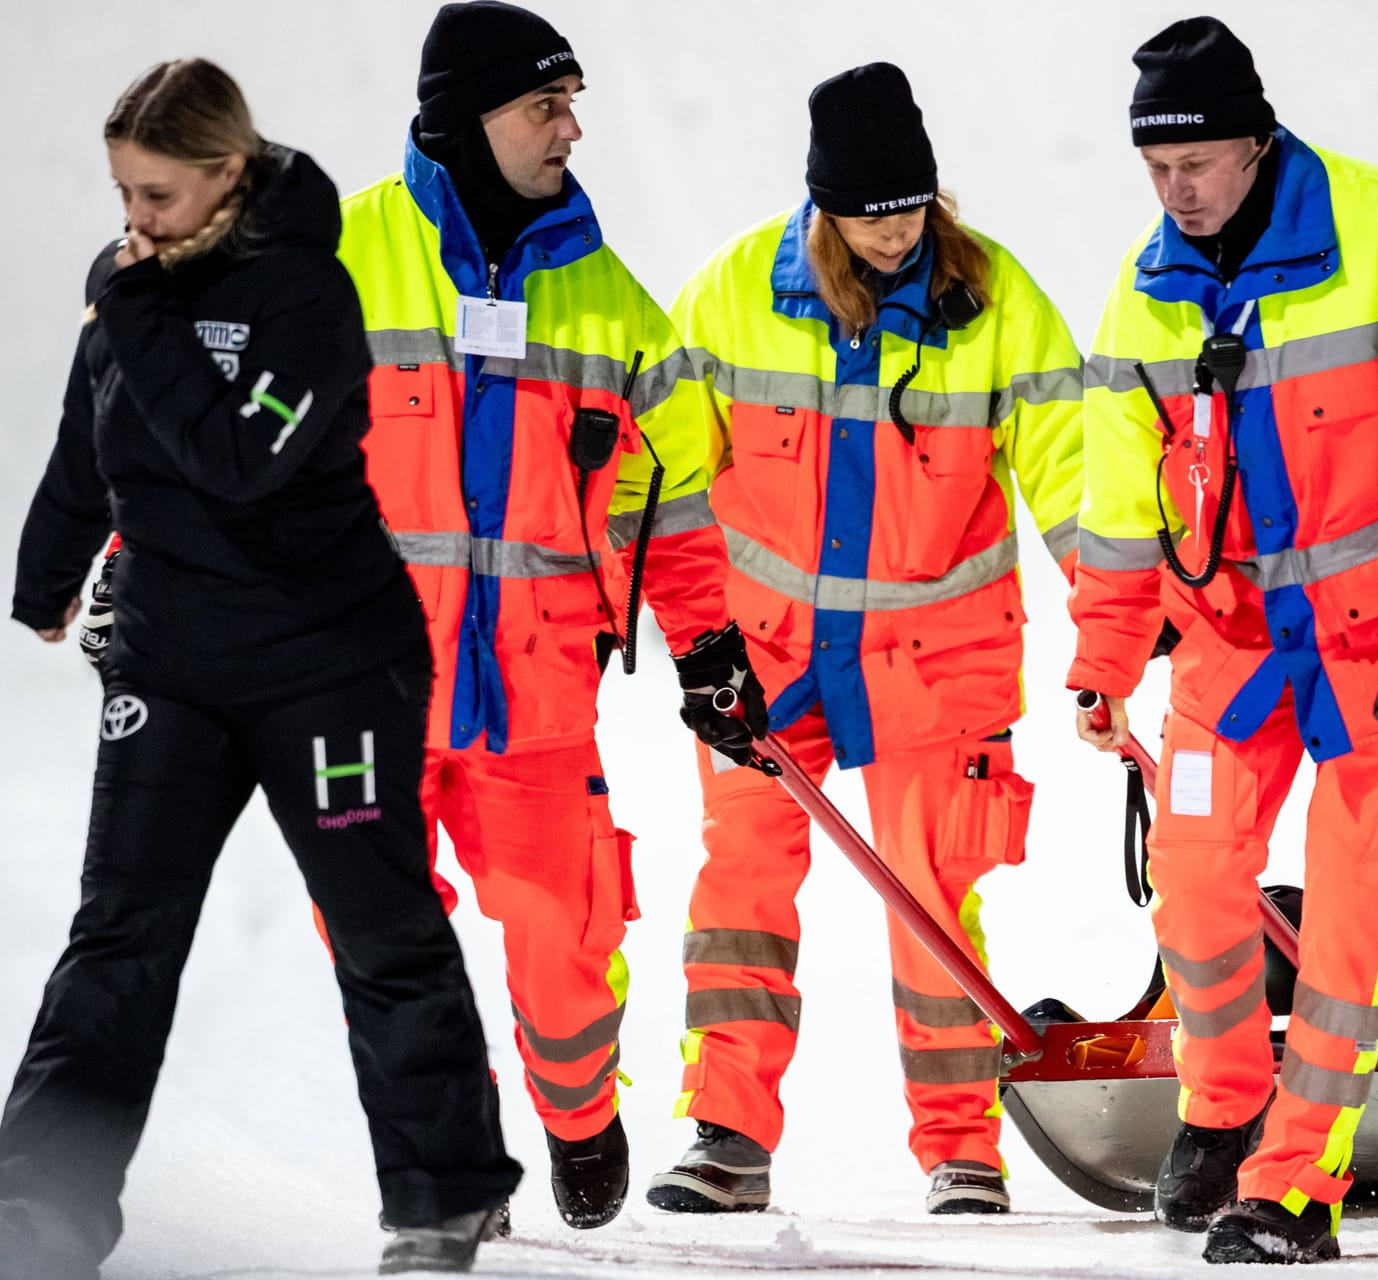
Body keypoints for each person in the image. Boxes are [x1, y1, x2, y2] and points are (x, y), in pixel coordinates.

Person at [2, 58, 520, 1278]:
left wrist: (133, 317)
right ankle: (38, 1209)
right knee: (118, 934)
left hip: (326, 664)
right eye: (124, 194)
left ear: (230, 177)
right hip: (170, 663)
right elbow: (94, 435)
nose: (135, 223)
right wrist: (44, 573)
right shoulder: (122, 284)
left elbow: (240, 461)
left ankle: (443, 1197)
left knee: (381, 924)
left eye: (160, 196)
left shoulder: (306, 297)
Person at [1070, 17, 1378, 1265]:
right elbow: (1120, 513)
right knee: (1191, 871)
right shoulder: (1144, 289)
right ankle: (1222, 1109)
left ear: (1259, 140)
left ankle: (1296, 1184)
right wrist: (1105, 662)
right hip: (1227, 648)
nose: (1175, 193)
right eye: (1154, 172)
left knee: (1347, 925)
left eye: (1197, 165)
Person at [327, 0, 760, 1232]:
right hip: (362, 691)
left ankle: (577, 1112)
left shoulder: (610, 304)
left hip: (537, 694)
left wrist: (711, 641)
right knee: (379, 942)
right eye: (545, 105)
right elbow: (222, 433)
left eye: (571, 103)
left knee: (567, 944)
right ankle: (447, 1177)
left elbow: (676, 494)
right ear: (468, 120)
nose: (572, 128)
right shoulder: (335, 258)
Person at [643, 62, 1084, 1217]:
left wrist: (1132, 622)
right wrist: (671, 630)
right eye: (871, 211)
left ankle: (962, 1147)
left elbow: (1078, 478)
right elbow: (665, 480)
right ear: (823, 205)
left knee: (933, 892)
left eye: (912, 207)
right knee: (741, 882)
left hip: (936, 659)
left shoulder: (994, 300)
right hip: (766, 654)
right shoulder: (733, 294)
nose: (896, 233)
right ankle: (728, 1134)